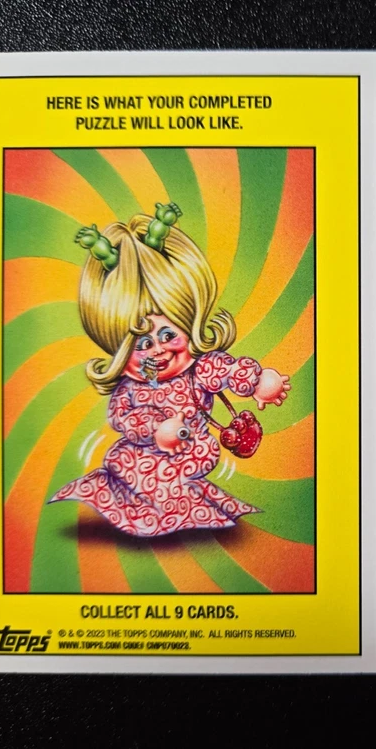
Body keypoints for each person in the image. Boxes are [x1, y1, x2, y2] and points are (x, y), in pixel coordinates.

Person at [49, 202, 290, 537]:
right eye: (142, 343)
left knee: (175, 477)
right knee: (125, 467)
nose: (158, 350)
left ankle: (173, 512)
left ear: (189, 326)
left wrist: (259, 381)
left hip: (190, 451)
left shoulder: (198, 369)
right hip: (139, 456)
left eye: (167, 335)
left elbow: (225, 370)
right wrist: (156, 427)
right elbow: (123, 417)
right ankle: (148, 513)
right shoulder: (131, 388)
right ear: (119, 350)